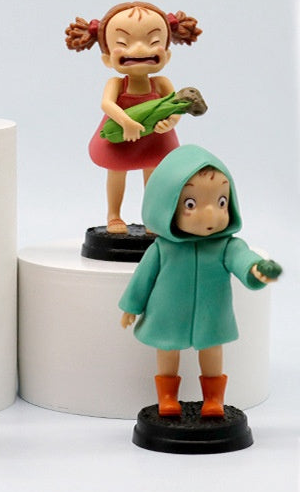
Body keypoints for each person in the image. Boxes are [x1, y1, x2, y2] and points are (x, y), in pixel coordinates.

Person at [119, 145, 280, 417]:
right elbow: (143, 277)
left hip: (211, 310)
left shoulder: (226, 245)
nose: (212, 215)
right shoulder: (163, 248)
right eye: (191, 204)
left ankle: (213, 399)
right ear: (167, 206)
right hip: (167, 311)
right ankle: (167, 397)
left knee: (212, 350)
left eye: (221, 202)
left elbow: (242, 258)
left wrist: (255, 269)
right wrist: (131, 306)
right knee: (167, 348)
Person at [65, 1, 201, 233]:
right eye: (123, 43)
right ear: (107, 58)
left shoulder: (161, 83)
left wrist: (171, 122)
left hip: (155, 136)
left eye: (153, 41)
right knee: (117, 172)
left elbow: (176, 106)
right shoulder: (117, 83)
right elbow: (107, 104)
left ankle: (151, 216)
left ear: (167, 54)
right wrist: (126, 122)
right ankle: (114, 215)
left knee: (154, 175)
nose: (139, 49)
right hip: (121, 133)